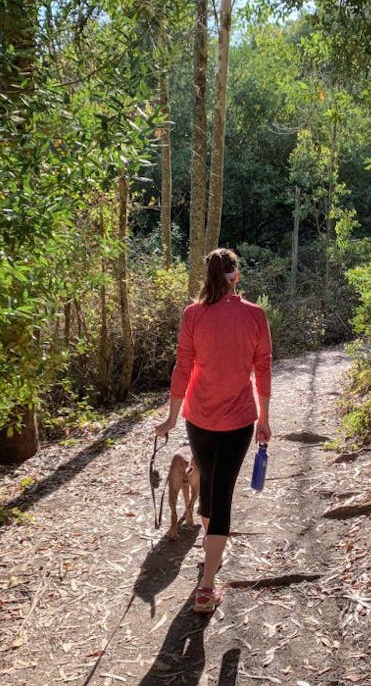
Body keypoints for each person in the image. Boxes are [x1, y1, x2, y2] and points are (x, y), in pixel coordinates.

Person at [155, 248, 272, 614]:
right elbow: (263, 367)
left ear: (206, 275)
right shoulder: (254, 315)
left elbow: (182, 367)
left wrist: (172, 418)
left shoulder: (193, 314)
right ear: (235, 275)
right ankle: (207, 586)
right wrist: (264, 418)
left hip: (198, 418)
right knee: (218, 492)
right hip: (237, 421)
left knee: (209, 488)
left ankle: (210, 558)